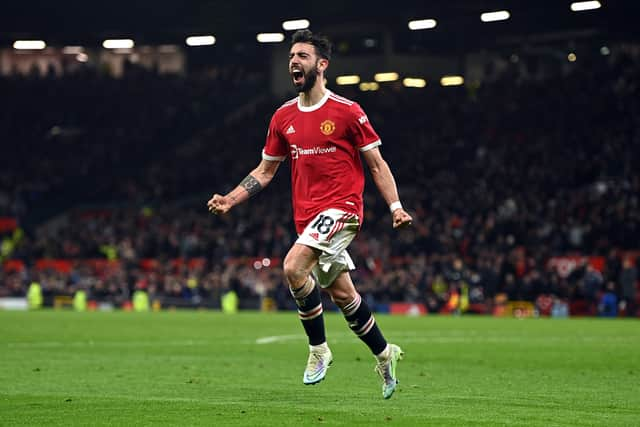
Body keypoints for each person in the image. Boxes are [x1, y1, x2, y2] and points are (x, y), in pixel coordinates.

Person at [207, 29, 413, 399]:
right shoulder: (282, 117)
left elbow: (378, 166)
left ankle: (318, 348)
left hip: (343, 210)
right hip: (308, 219)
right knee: (343, 295)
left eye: (301, 55)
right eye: (291, 56)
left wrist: (395, 207)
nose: (293, 61)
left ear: (322, 65)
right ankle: (385, 354)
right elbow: (265, 170)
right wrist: (231, 199)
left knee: (292, 267)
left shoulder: (348, 112)